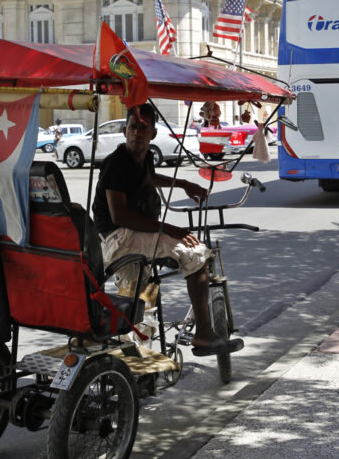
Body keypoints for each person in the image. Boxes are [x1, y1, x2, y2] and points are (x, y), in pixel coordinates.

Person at [92, 103, 244, 356]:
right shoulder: (117, 163)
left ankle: (135, 357)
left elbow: (148, 178)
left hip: (134, 236)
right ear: (124, 131)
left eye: (143, 128)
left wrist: (183, 183)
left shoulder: (143, 157)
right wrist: (168, 229)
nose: (137, 133)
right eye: (132, 127)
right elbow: (119, 215)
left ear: (152, 133)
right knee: (195, 255)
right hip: (119, 238)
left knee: (140, 300)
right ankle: (204, 335)